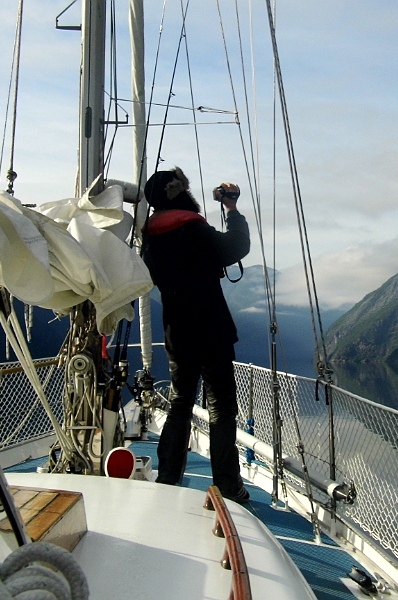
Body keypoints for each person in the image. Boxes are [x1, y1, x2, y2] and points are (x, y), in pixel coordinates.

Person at [142, 167, 251, 503]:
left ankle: (168, 476)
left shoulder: (150, 236)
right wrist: (231, 211)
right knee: (220, 409)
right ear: (181, 193)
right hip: (211, 326)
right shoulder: (193, 229)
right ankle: (227, 487)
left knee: (179, 403)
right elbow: (236, 247)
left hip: (176, 328)